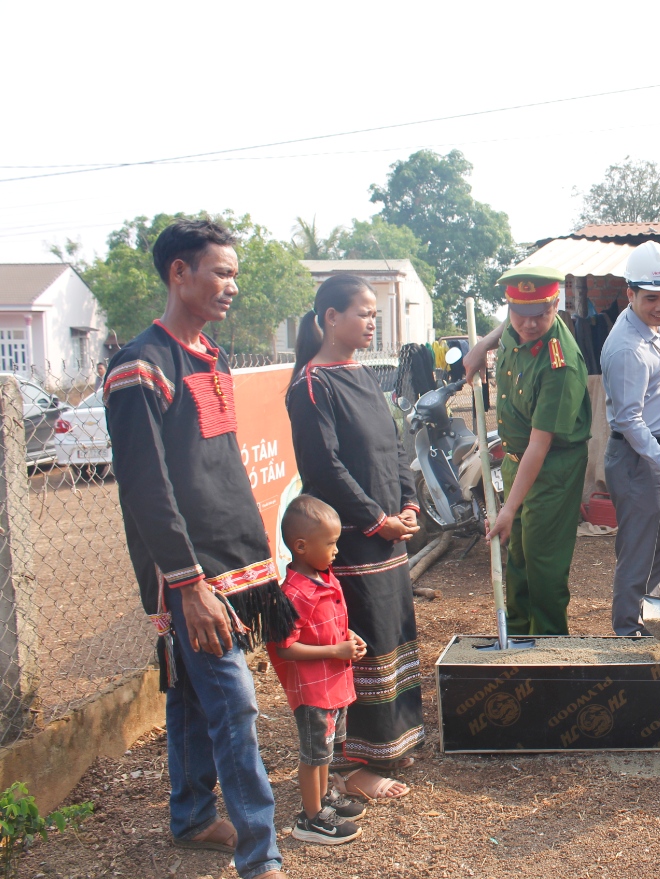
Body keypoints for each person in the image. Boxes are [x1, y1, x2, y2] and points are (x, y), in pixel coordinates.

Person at [104, 219, 291, 879]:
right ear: (178, 273)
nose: (231, 285)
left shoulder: (211, 355)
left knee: (188, 695)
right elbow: (146, 486)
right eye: (219, 271)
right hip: (189, 574)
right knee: (233, 701)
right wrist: (187, 585)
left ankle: (189, 815)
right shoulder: (138, 368)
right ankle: (259, 852)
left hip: (232, 559)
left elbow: (217, 467)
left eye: (234, 273)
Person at [287, 273, 423, 800]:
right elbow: (325, 470)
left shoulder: (364, 374)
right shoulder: (311, 385)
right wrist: (375, 520)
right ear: (329, 318)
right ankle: (355, 766)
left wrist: (408, 504)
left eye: (374, 313)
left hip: (389, 533)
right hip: (351, 543)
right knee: (358, 647)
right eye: (363, 313)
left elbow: (394, 446)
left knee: (390, 638)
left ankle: (393, 744)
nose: (372, 321)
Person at [464, 266, 592, 636]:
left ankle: (550, 648)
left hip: (552, 467)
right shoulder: (514, 327)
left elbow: (541, 444)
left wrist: (508, 508)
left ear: (556, 304)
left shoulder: (559, 363)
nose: (530, 324)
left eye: (541, 314)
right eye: (520, 312)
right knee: (516, 554)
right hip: (516, 462)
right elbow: (509, 327)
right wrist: (482, 346)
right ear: (508, 307)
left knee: (542, 563)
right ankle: (518, 639)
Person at [601, 241, 660, 635]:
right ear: (630, 294)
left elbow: (654, 335)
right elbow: (630, 422)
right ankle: (627, 630)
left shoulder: (648, 329)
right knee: (639, 552)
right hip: (638, 458)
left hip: (658, 453)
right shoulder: (626, 349)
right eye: (651, 298)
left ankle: (648, 617)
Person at [267, 496, 367, 845]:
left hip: (333, 684)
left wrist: (349, 639)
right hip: (314, 692)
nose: (336, 550)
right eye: (330, 544)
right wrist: (336, 650)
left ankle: (325, 798)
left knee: (326, 750)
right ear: (301, 546)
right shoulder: (294, 594)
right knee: (313, 755)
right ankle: (310, 819)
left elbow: (333, 626)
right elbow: (285, 647)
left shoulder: (323, 578)